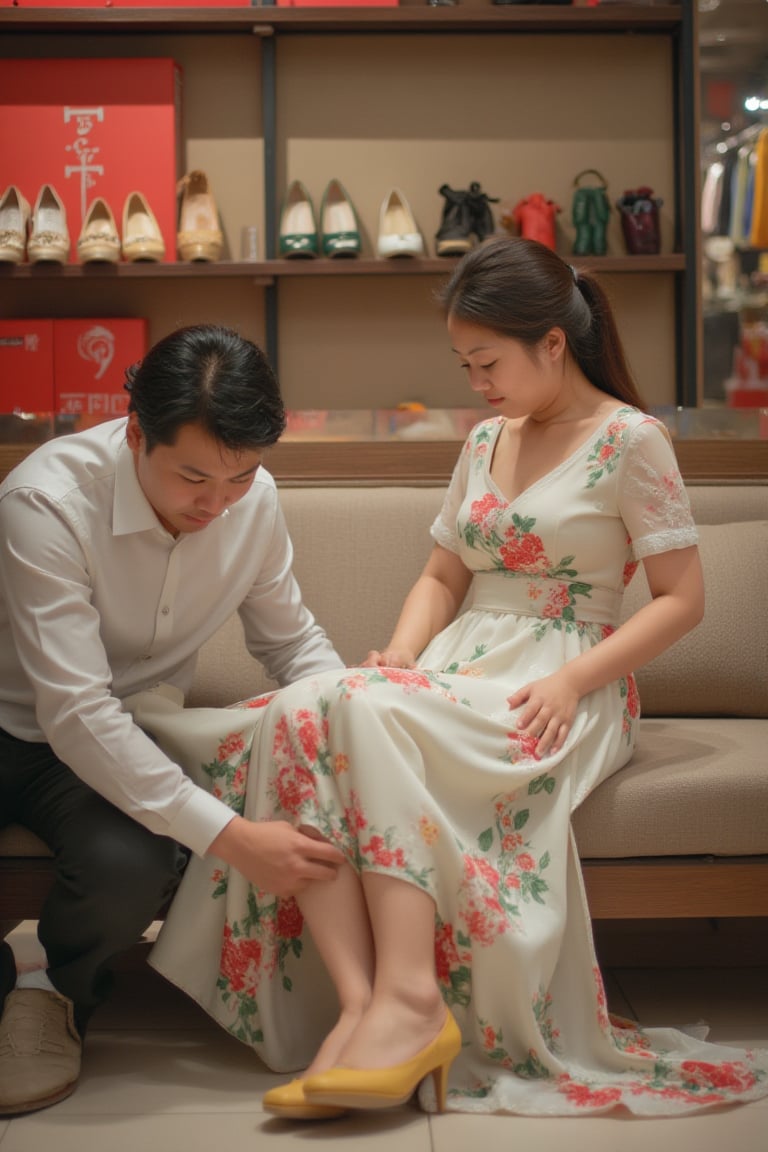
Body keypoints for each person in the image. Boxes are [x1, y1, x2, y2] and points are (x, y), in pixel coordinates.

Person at [113, 238, 768, 1118]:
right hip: (462, 662)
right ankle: (364, 1006)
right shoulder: (486, 440)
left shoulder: (631, 440)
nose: (477, 383)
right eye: (464, 363)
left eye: (488, 361)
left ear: (552, 343)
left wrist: (576, 680)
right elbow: (442, 575)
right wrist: (399, 655)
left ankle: (410, 1003)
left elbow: (681, 600)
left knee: (351, 711)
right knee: (321, 702)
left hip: (562, 676)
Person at [0, 324, 346, 1116]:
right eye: (194, 477)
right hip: (28, 720)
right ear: (133, 433)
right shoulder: (44, 501)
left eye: (239, 478)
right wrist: (232, 838)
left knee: (134, 863)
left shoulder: (250, 503)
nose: (217, 505)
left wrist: (348, 718)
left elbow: (291, 642)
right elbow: (75, 707)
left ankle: (52, 991)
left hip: (111, 742)